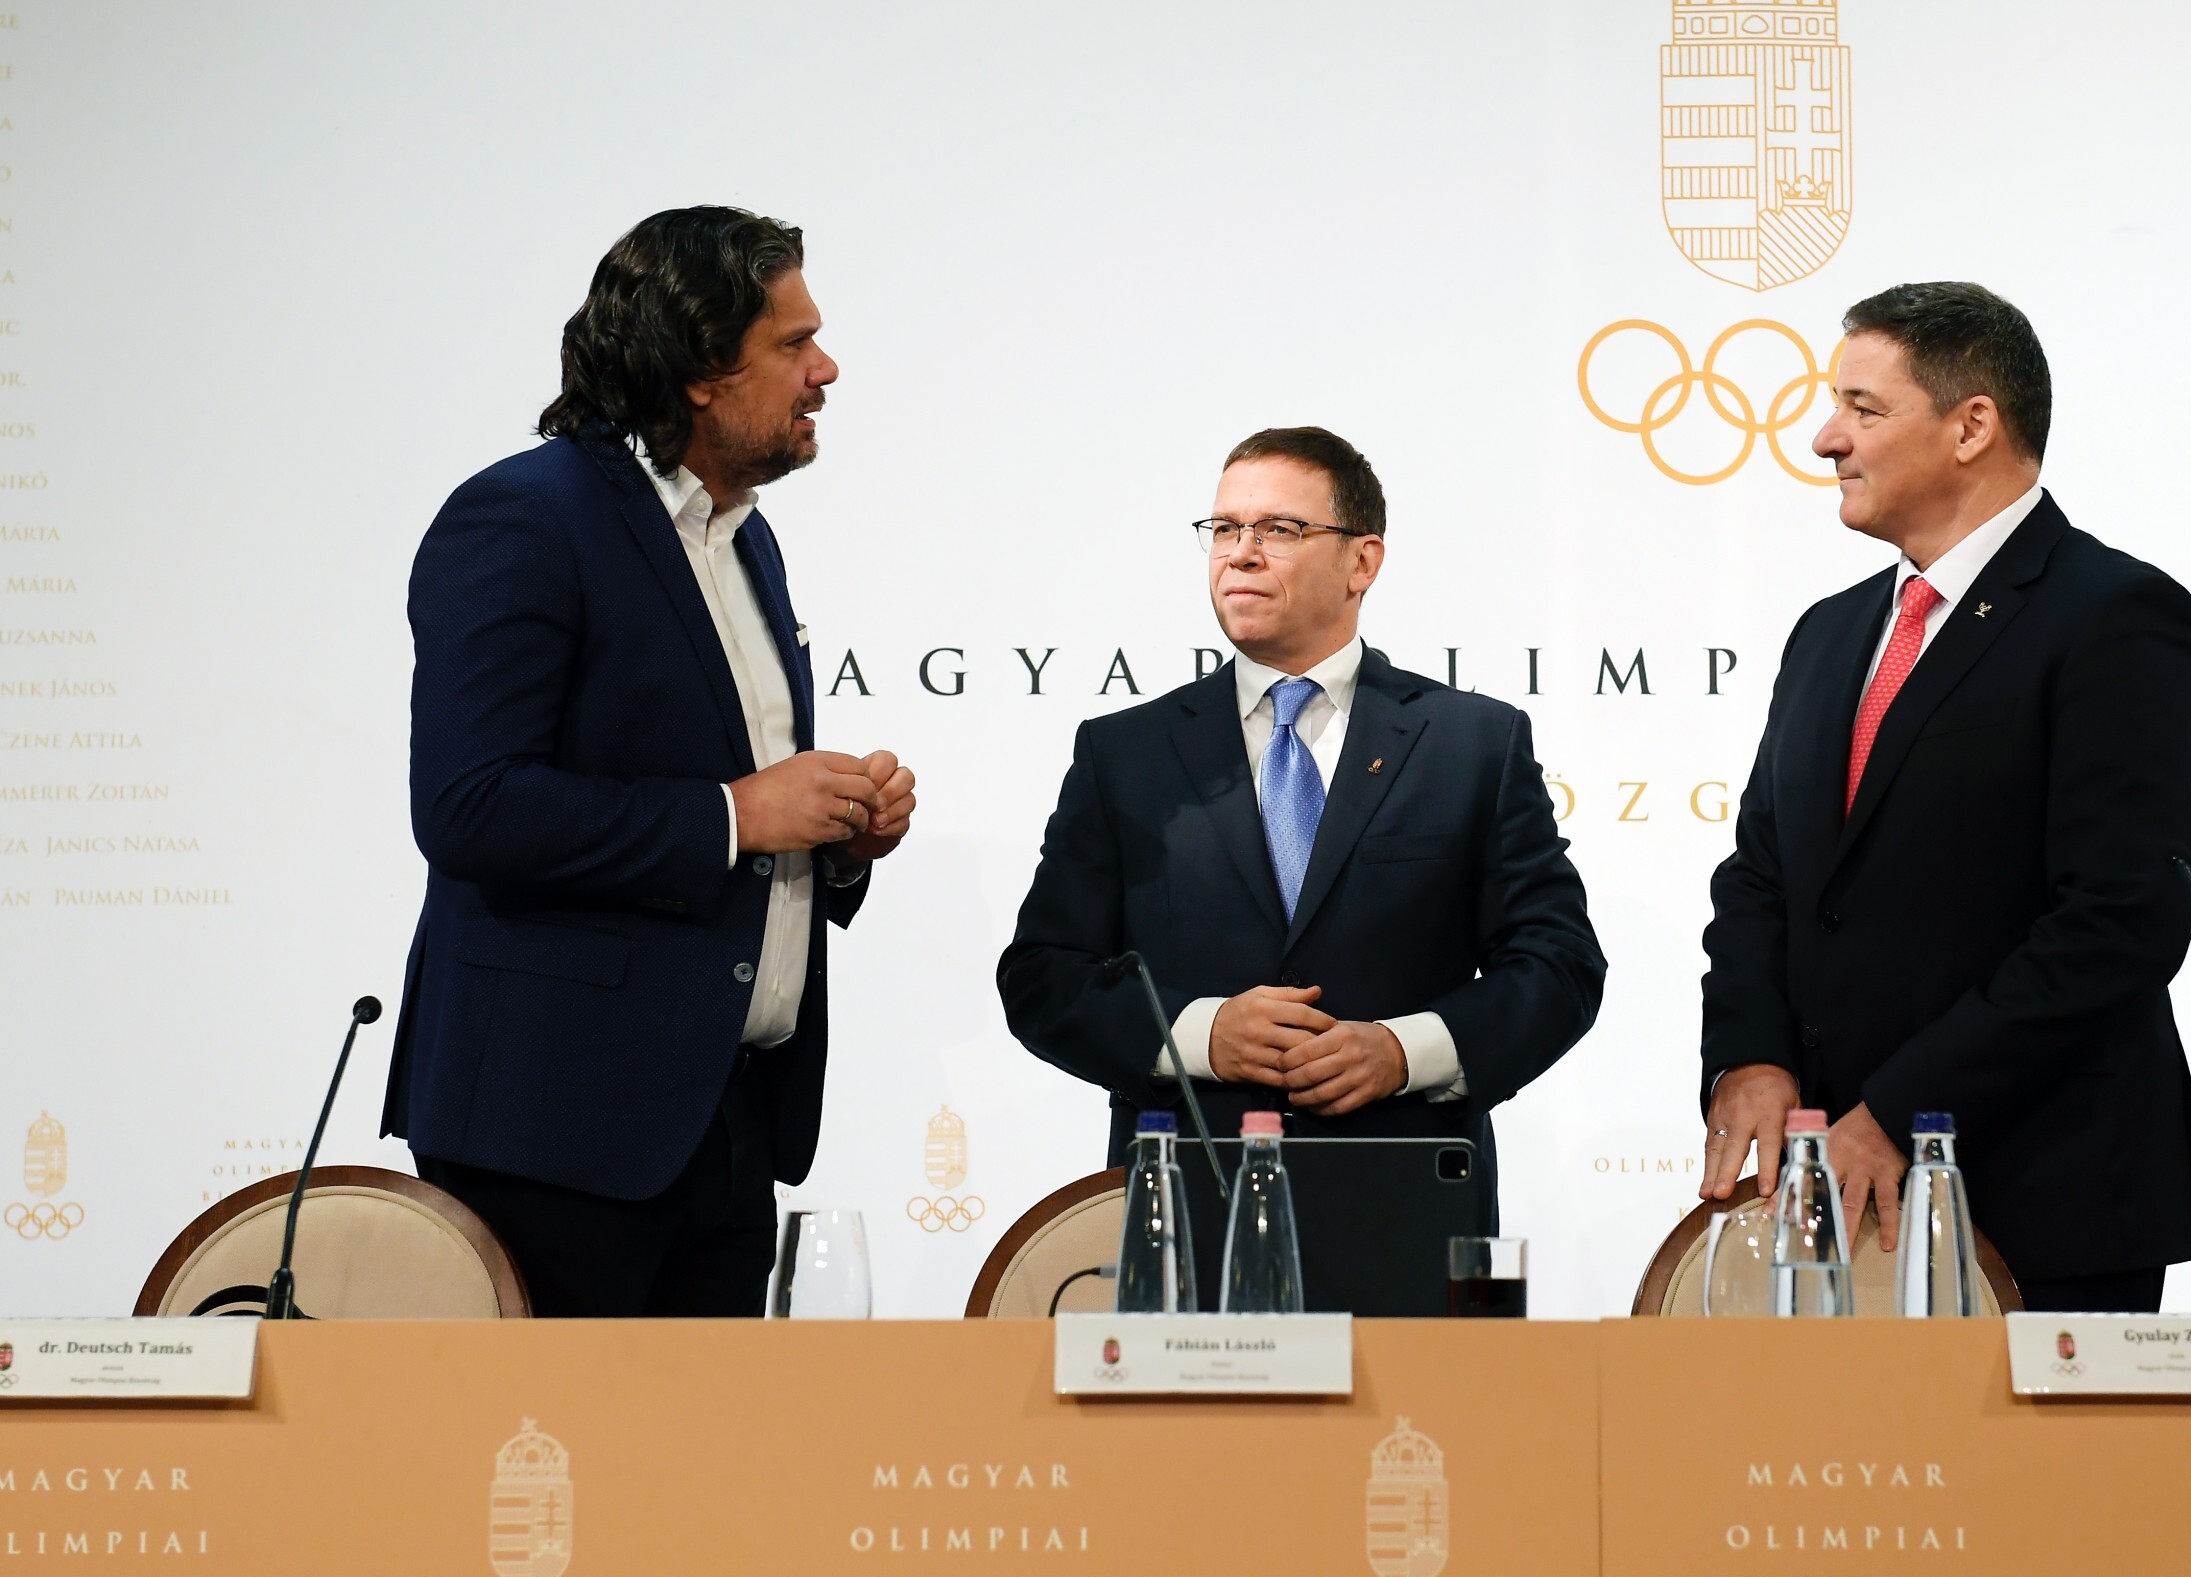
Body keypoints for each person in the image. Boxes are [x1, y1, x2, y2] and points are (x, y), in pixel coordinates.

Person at [383, 206, 916, 1316]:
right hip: (555, 1132)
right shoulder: (523, 518)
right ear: (700, 369)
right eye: (793, 343)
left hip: (728, 1123)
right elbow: (471, 805)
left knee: (714, 1438)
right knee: (559, 1432)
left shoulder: (745, 537)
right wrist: (738, 814)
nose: (825, 370)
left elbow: (740, 803)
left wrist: (838, 837)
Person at [1696, 282, 2191, 1313]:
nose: (1824, 438)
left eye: (1862, 407)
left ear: (1972, 424)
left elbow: (2118, 921)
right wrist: (1749, 1056)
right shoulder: (1828, 633)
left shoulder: (2117, 616)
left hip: (2048, 1198)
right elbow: (1761, 874)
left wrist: (1900, 1112)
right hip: (1824, 1197)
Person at [997, 427, 1604, 1223]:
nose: (1240, 554)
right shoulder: (1125, 754)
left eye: (1278, 529)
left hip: (1407, 1211)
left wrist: (1403, 1052)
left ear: (1363, 561)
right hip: (1187, 1213)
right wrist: (1202, 1033)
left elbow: (1559, 967)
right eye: (1224, 528)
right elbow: (1042, 976)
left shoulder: (1472, 743)